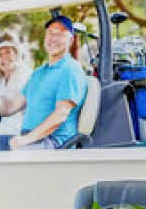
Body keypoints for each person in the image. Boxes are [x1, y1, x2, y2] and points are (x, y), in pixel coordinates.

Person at [9, 14, 89, 150]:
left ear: (70, 40)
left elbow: (60, 115)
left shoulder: (70, 69)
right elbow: (15, 104)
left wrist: (25, 140)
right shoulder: (39, 72)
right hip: (32, 137)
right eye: (50, 33)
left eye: (60, 34)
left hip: (53, 142)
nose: (53, 38)